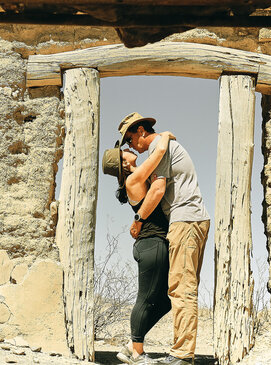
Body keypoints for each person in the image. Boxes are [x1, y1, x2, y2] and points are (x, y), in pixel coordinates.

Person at [118, 112, 211, 365]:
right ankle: (181, 352)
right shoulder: (161, 146)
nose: (129, 146)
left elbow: (158, 190)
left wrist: (137, 220)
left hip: (185, 219)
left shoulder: (160, 148)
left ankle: (182, 356)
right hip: (189, 219)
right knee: (179, 289)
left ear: (140, 131)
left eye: (129, 139)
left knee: (181, 290)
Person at [102, 130, 175, 365]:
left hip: (154, 243)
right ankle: (137, 353)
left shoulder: (135, 175)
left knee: (166, 301)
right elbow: (160, 153)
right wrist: (163, 137)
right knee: (144, 298)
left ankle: (133, 344)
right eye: (124, 152)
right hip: (151, 243)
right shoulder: (134, 179)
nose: (129, 149)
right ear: (123, 162)